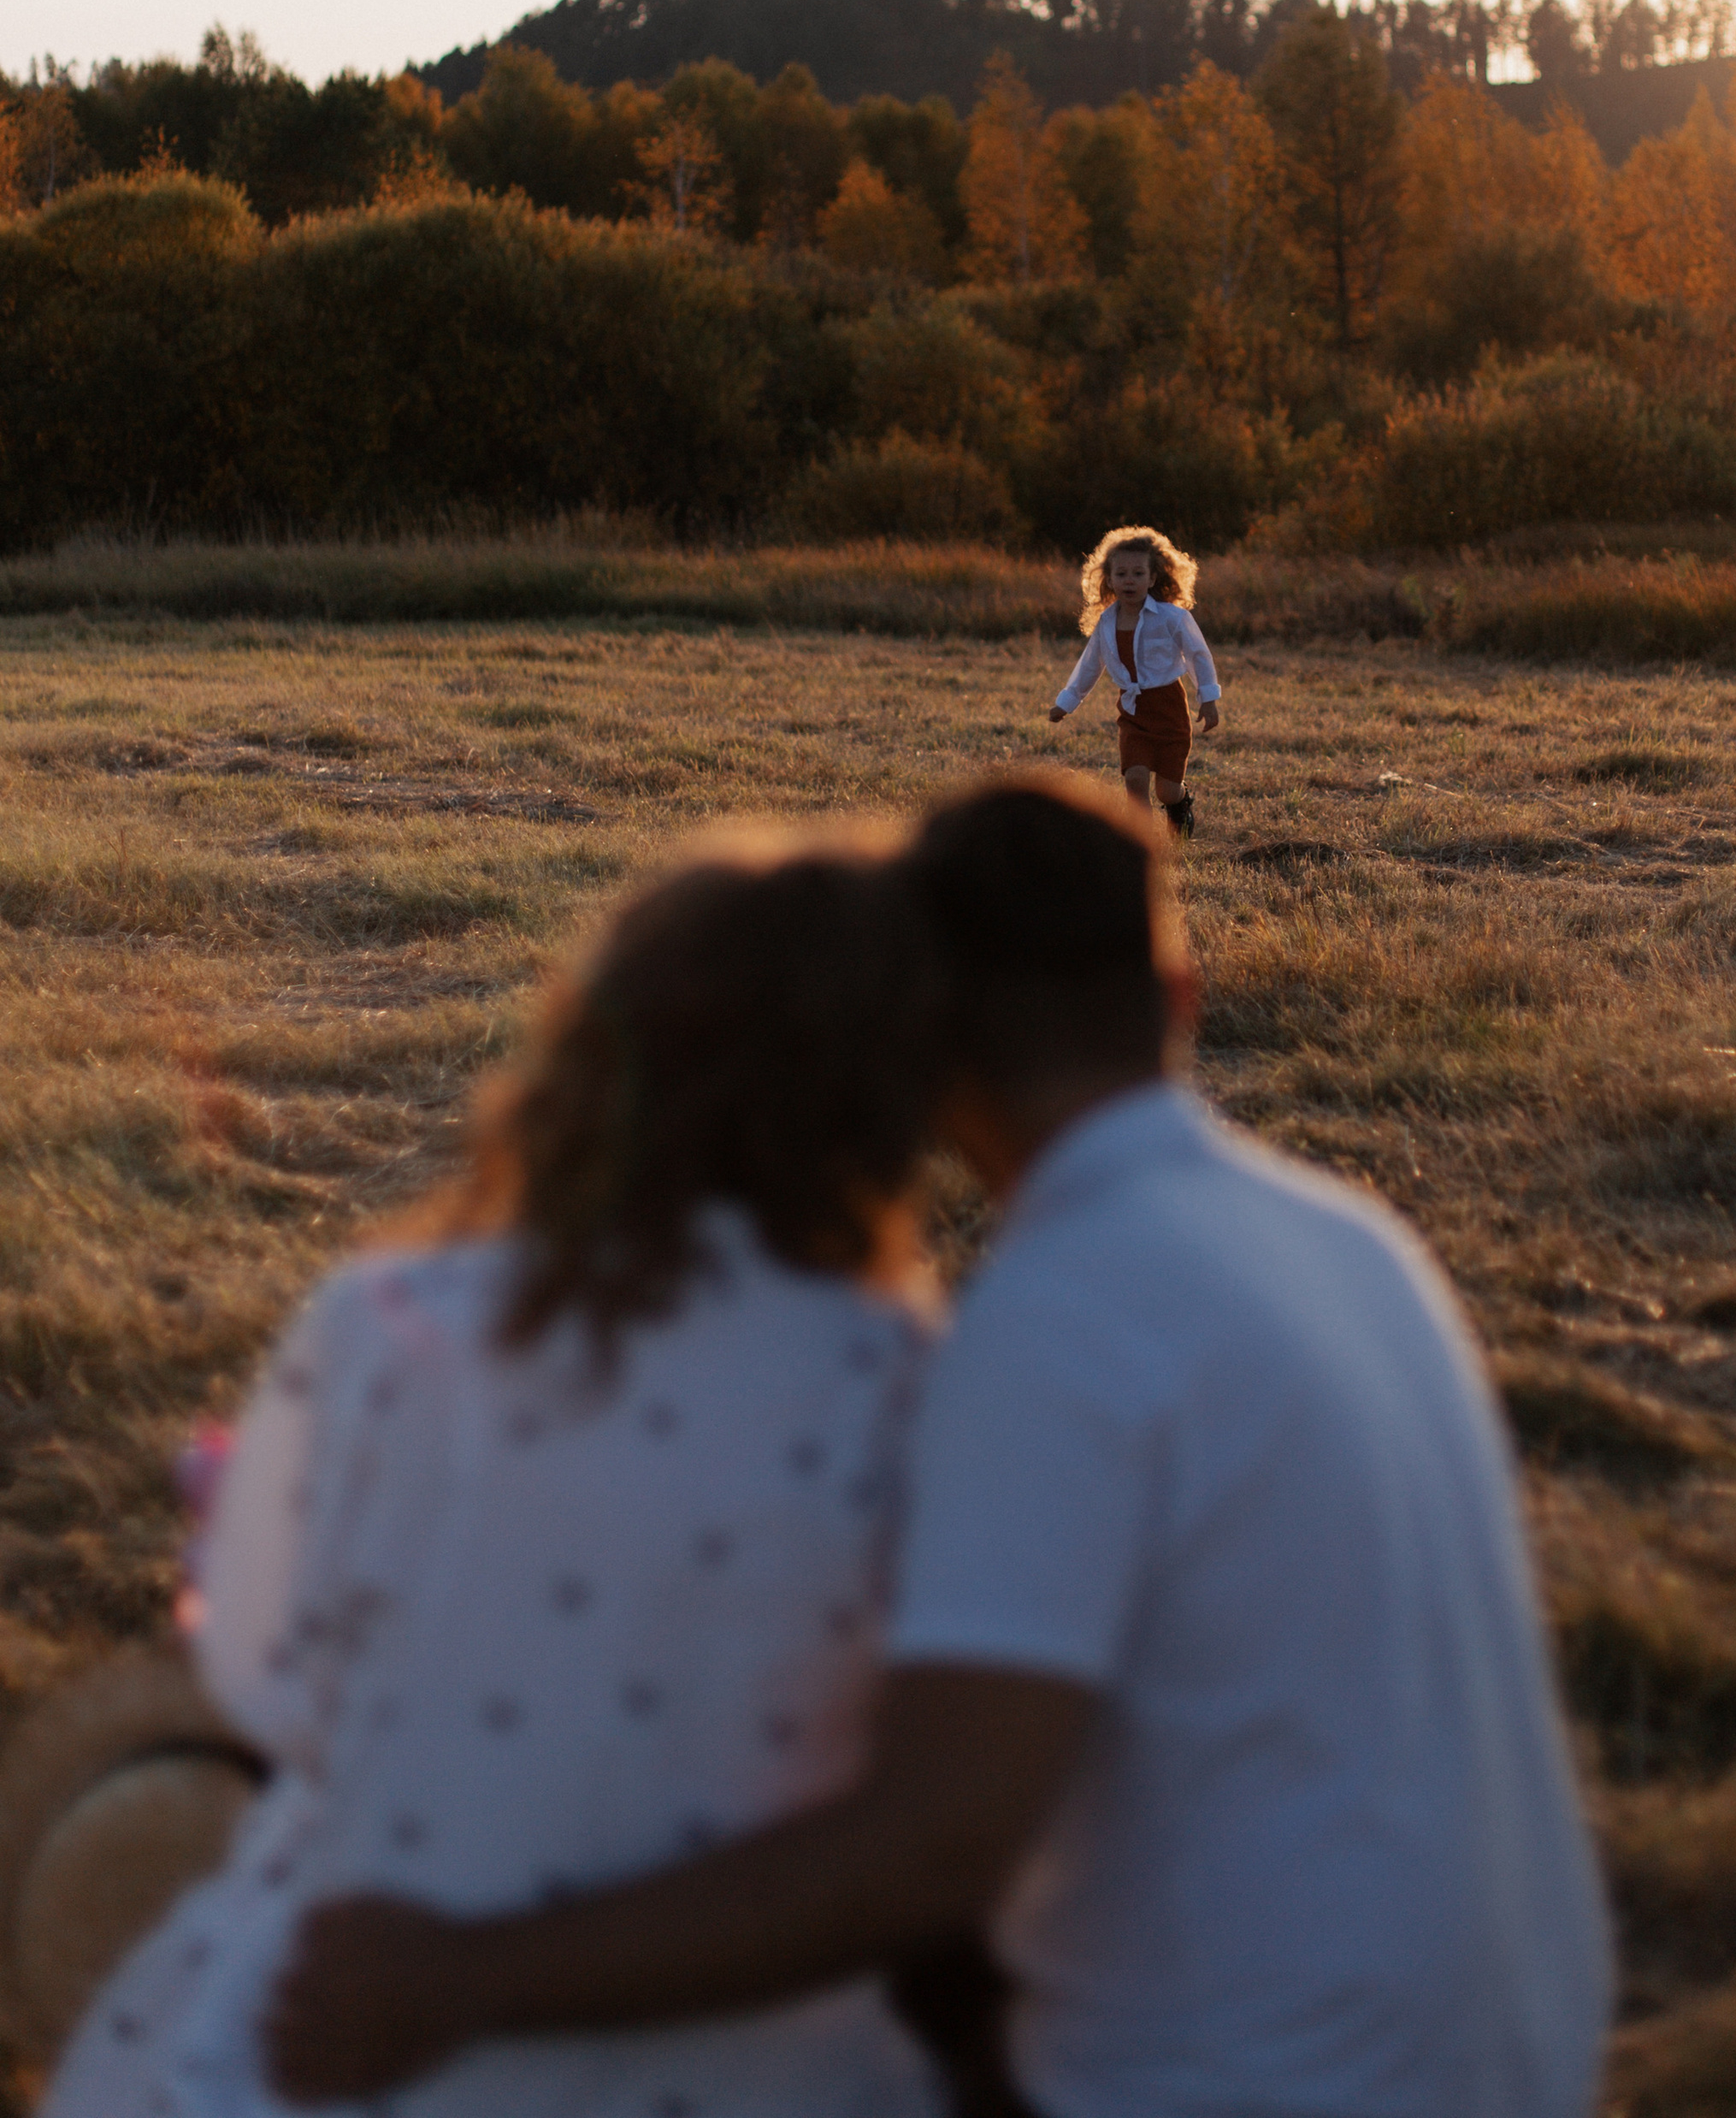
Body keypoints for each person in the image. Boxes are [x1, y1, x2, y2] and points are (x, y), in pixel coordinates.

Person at [265, 772, 1613, 2118]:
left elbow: (936, 1845)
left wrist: (458, 1980)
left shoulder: (1060, 1322)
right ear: (1180, 998)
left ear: (928, 1048)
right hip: (1521, 2050)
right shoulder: (1356, 1240)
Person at [45, 830, 960, 2118]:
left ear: (595, 1043)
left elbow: (264, 1672)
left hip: (359, 2005)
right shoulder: (911, 1380)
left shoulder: (389, 1317)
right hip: (738, 2037)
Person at [1048, 524, 1220, 838]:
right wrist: (1066, 702)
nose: (1130, 580)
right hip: (1132, 709)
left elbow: (1198, 655)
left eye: (1138, 573)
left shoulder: (1173, 618)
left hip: (1169, 708)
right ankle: (1140, 842)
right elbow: (1090, 665)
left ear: (1152, 578)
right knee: (1135, 778)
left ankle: (1179, 804)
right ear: (1109, 580)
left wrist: (1208, 697)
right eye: (1122, 573)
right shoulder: (1106, 622)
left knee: (1166, 790)